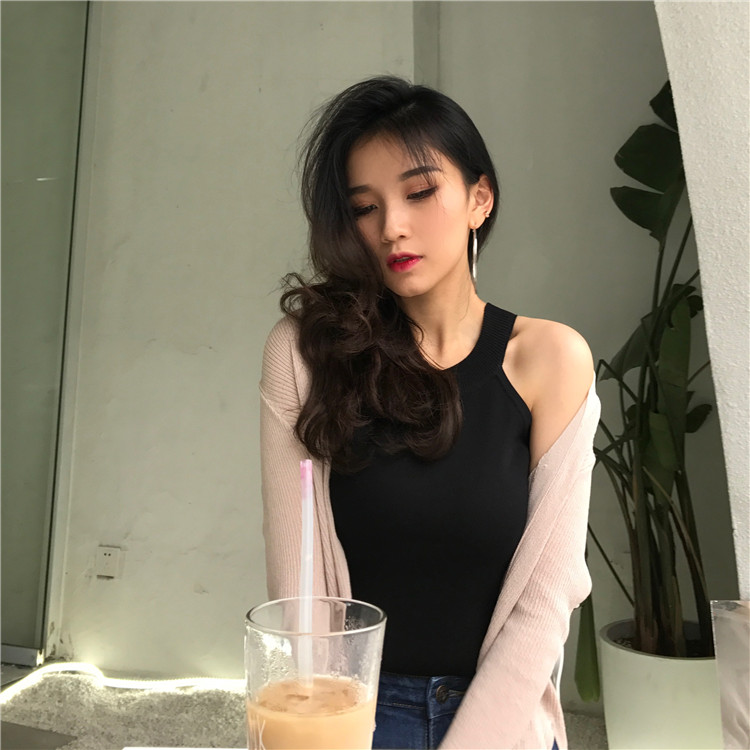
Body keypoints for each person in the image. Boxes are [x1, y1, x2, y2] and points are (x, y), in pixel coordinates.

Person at [259, 75, 600, 750]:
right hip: (356, 712)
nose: (391, 226)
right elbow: (299, 587)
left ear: (479, 198)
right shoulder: (306, 353)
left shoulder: (550, 361)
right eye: (365, 207)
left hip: (502, 718)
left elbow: (544, 600)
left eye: (419, 192)